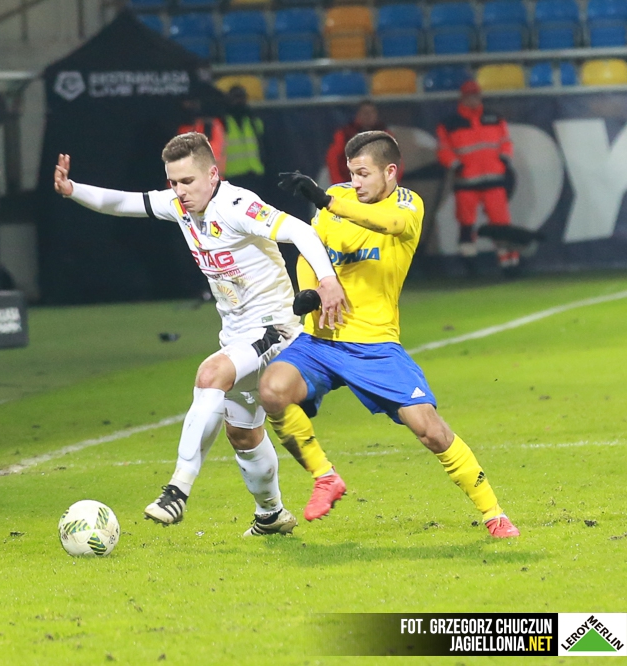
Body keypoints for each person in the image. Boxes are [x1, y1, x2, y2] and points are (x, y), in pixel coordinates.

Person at [54, 132, 348, 536]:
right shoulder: (179, 206)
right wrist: (73, 190)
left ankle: (177, 490)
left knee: (211, 375)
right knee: (242, 433)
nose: (180, 191)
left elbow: (302, 231)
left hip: (274, 328)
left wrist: (327, 280)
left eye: (188, 181)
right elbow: (122, 202)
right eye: (173, 182)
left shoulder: (238, 206)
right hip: (238, 334)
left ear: (213, 175)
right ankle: (271, 515)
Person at [258, 130, 520, 539]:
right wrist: (312, 289)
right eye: (351, 173)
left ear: (390, 172)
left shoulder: (407, 205)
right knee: (272, 391)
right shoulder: (338, 196)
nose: (355, 182)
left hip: (375, 346)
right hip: (321, 341)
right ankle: (325, 476)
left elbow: (390, 223)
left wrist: (328, 201)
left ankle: (493, 513)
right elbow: (310, 248)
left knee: (430, 431)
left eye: (363, 174)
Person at [436, 80, 519, 274]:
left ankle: (509, 263)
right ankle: (470, 263)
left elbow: (506, 142)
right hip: (466, 181)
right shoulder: (449, 123)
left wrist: (504, 159)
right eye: (470, 95)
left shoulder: (495, 118)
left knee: (501, 223)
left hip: (493, 180)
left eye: (476, 95)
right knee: (466, 224)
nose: (473, 99)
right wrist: (456, 165)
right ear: (462, 97)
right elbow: (443, 150)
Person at [326, 100, 387, 185]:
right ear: (358, 115)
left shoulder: (385, 135)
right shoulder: (345, 134)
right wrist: (339, 184)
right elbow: (333, 160)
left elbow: (396, 160)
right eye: (365, 113)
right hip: (349, 184)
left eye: (371, 112)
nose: (368, 116)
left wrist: (387, 183)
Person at [221, 84, 266, 192]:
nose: (239, 101)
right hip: (231, 176)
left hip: (253, 174)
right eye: (235, 98)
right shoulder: (222, 122)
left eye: (241, 97)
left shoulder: (253, 120)